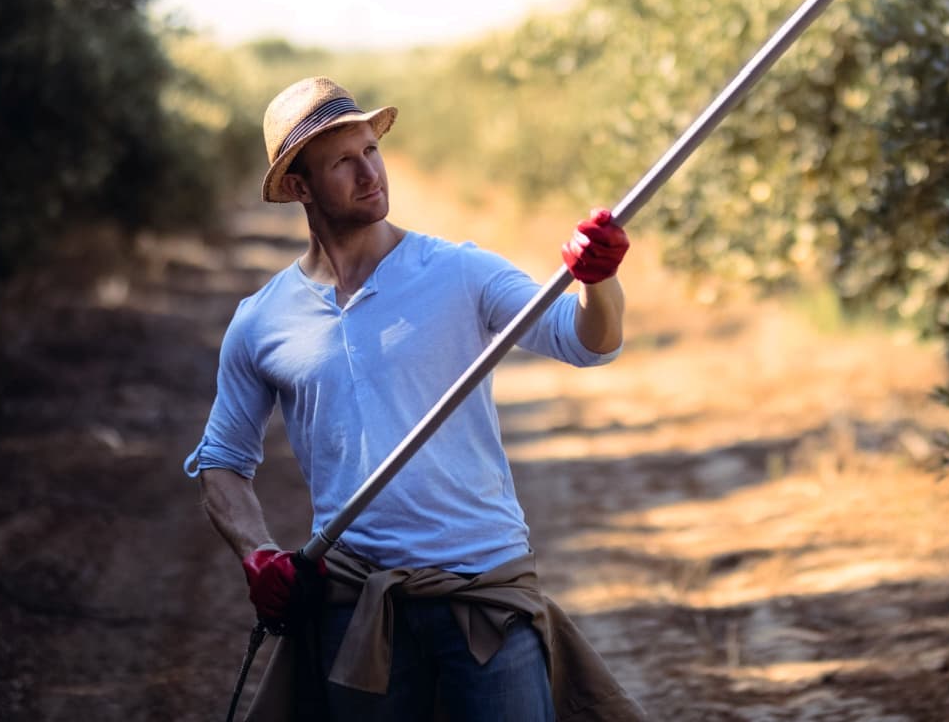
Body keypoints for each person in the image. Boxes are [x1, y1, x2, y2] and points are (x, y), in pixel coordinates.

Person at [185, 76, 645, 722]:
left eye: (371, 150)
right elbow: (222, 463)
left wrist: (601, 282)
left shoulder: (460, 272)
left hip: (487, 597)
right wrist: (257, 554)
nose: (369, 172)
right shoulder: (261, 321)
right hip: (357, 610)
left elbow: (588, 341)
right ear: (298, 187)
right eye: (343, 161)